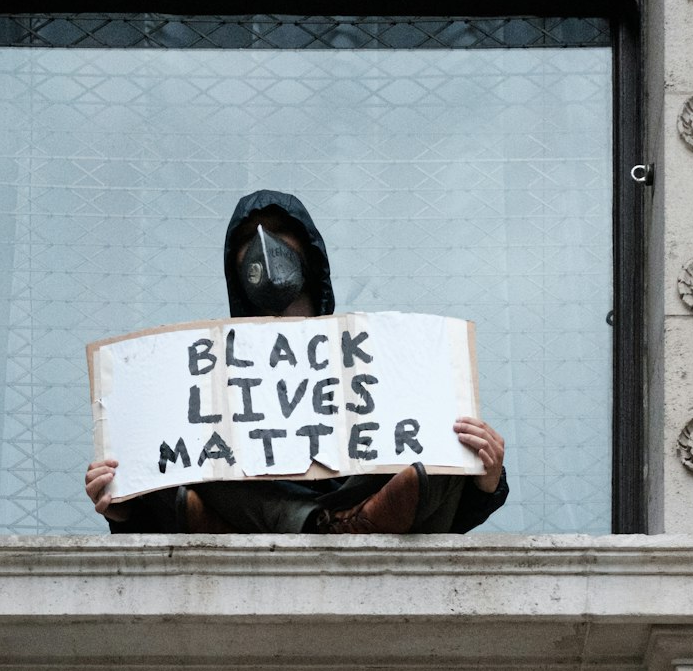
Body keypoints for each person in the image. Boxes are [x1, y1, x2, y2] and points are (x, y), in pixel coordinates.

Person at [85, 189, 508, 534]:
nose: (263, 244)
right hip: (253, 503)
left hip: (364, 493)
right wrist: (123, 502)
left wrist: (485, 477)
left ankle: (323, 522)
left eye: (281, 231)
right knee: (159, 456)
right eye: (248, 238)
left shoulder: (381, 352)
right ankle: (325, 526)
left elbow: (443, 473)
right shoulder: (212, 371)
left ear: (308, 252)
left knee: (443, 441)